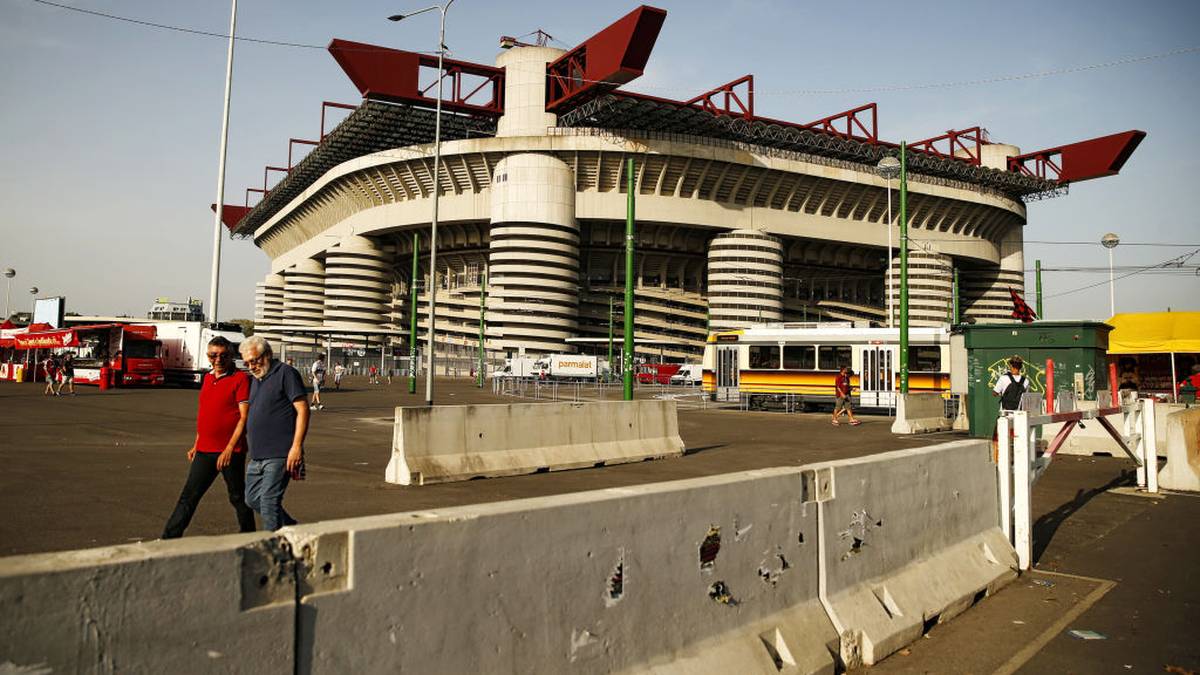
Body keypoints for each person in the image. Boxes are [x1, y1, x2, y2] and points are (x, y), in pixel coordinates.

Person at [161, 336, 257, 538]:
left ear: (231, 356)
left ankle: (249, 534)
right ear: (208, 356)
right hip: (205, 450)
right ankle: (169, 538)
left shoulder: (240, 379)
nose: (218, 359)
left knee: (237, 496)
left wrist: (230, 449)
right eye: (213, 355)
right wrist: (196, 444)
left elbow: (244, 417)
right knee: (189, 496)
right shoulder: (207, 378)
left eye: (224, 355)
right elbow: (205, 414)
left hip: (231, 451)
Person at [240, 336, 308, 531]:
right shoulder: (255, 380)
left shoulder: (285, 373)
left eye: (254, 360)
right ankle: (292, 528)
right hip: (257, 455)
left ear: (268, 354)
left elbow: (303, 409)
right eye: (247, 363)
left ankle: (273, 545)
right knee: (253, 499)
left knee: (269, 502)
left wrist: (296, 447)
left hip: (280, 453)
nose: (251, 366)